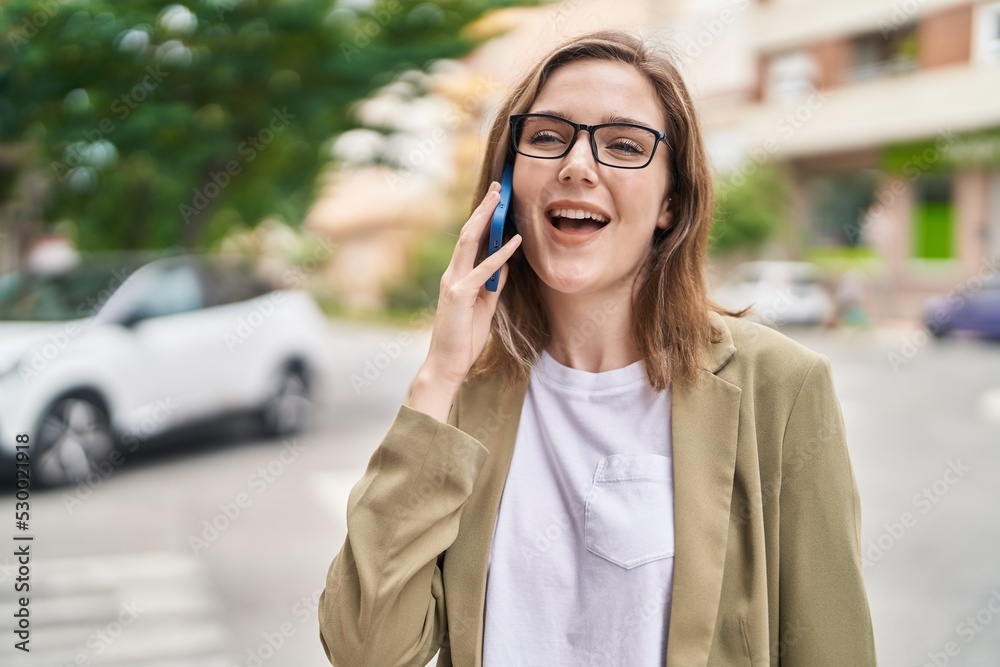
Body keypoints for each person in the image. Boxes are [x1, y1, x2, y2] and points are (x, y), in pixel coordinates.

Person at [318, 30, 878, 666]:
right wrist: (439, 377)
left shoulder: (779, 385)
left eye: (624, 146)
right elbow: (365, 650)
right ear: (504, 185)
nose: (577, 166)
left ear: (671, 202)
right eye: (548, 136)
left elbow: (833, 648)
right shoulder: (462, 397)